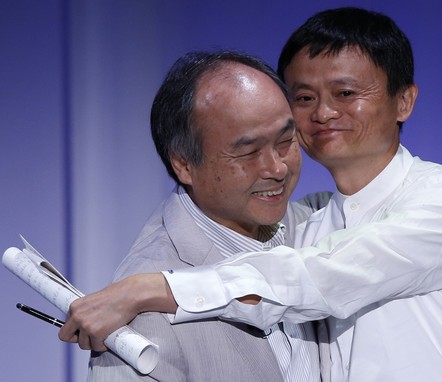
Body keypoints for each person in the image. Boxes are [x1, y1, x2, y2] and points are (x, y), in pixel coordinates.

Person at [60, 7, 442, 381]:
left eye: (346, 92)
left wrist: (149, 288)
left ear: (404, 101)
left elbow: (315, 277)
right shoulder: (308, 220)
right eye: (305, 98)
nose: (324, 113)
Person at [83, 50, 329, 381]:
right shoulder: (139, 316)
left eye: (286, 140)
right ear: (184, 164)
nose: (277, 167)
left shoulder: (320, 222)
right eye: (248, 151)